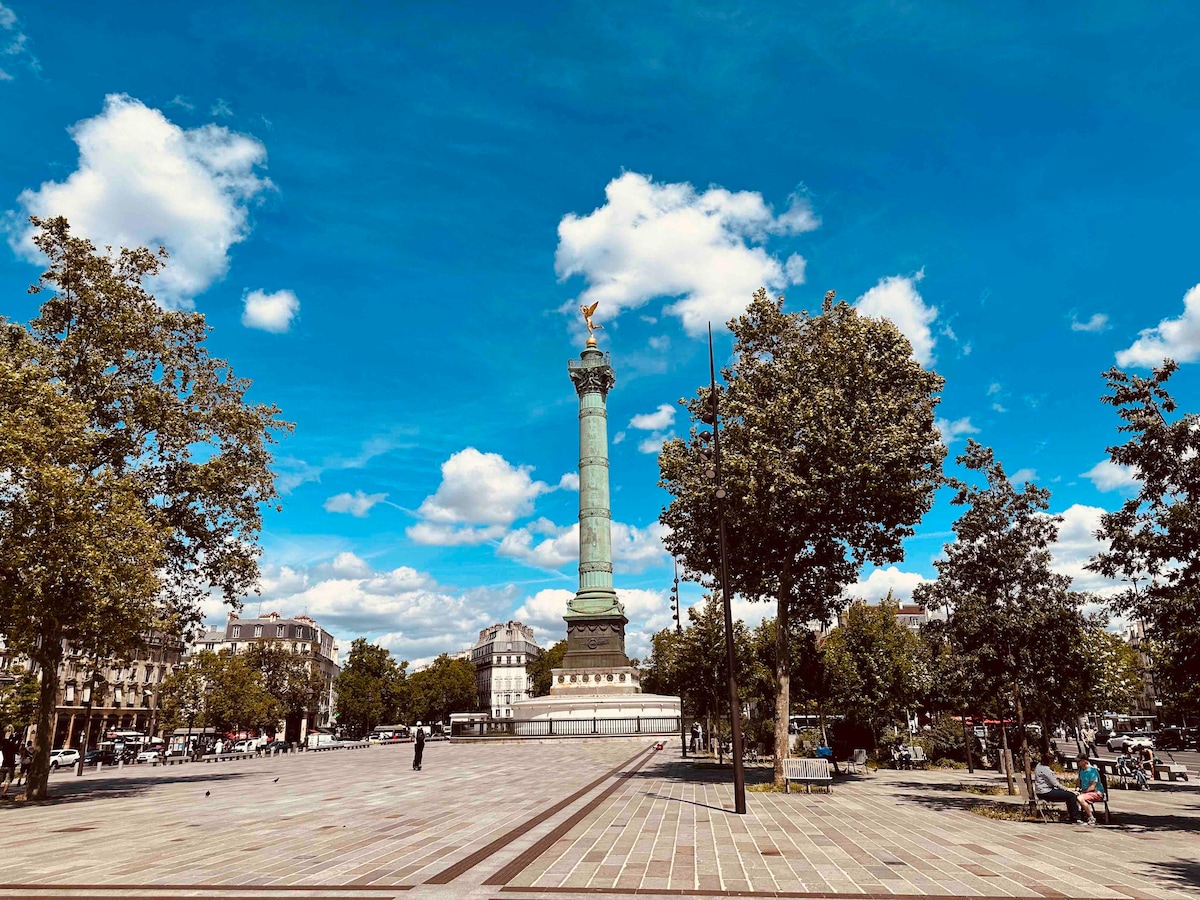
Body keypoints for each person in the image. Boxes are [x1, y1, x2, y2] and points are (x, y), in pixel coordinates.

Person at [1034, 752, 1080, 823]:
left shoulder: (1038, 766)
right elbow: (1056, 784)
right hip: (1046, 792)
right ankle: (1075, 817)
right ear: (1049, 761)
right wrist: (1068, 790)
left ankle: (1072, 816)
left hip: (1039, 792)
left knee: (1067, 795)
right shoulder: (1046, 770)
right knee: (1071, 796)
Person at [1076, 754, 1105, 826]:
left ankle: (1091, 817)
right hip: (1085, 792)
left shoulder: (1092, 771)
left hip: (1096, 792)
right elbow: (1078, 782)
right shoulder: (1081, 770)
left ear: (1084, 761)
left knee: (1080, 798)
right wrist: (1077, 789)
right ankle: (1074, 816)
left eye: (1079, 761)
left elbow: (1092, 787)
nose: (1077, 763)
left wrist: (1082, 792)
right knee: (1070, 795)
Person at [0, 728, 18, 800]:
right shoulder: (12, 745)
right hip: (10, 765)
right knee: (8, 780)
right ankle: (4, 794)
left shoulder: (3, 745)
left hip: (3, 764)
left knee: (1, 779)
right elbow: (16, 748)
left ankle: (3, 794)